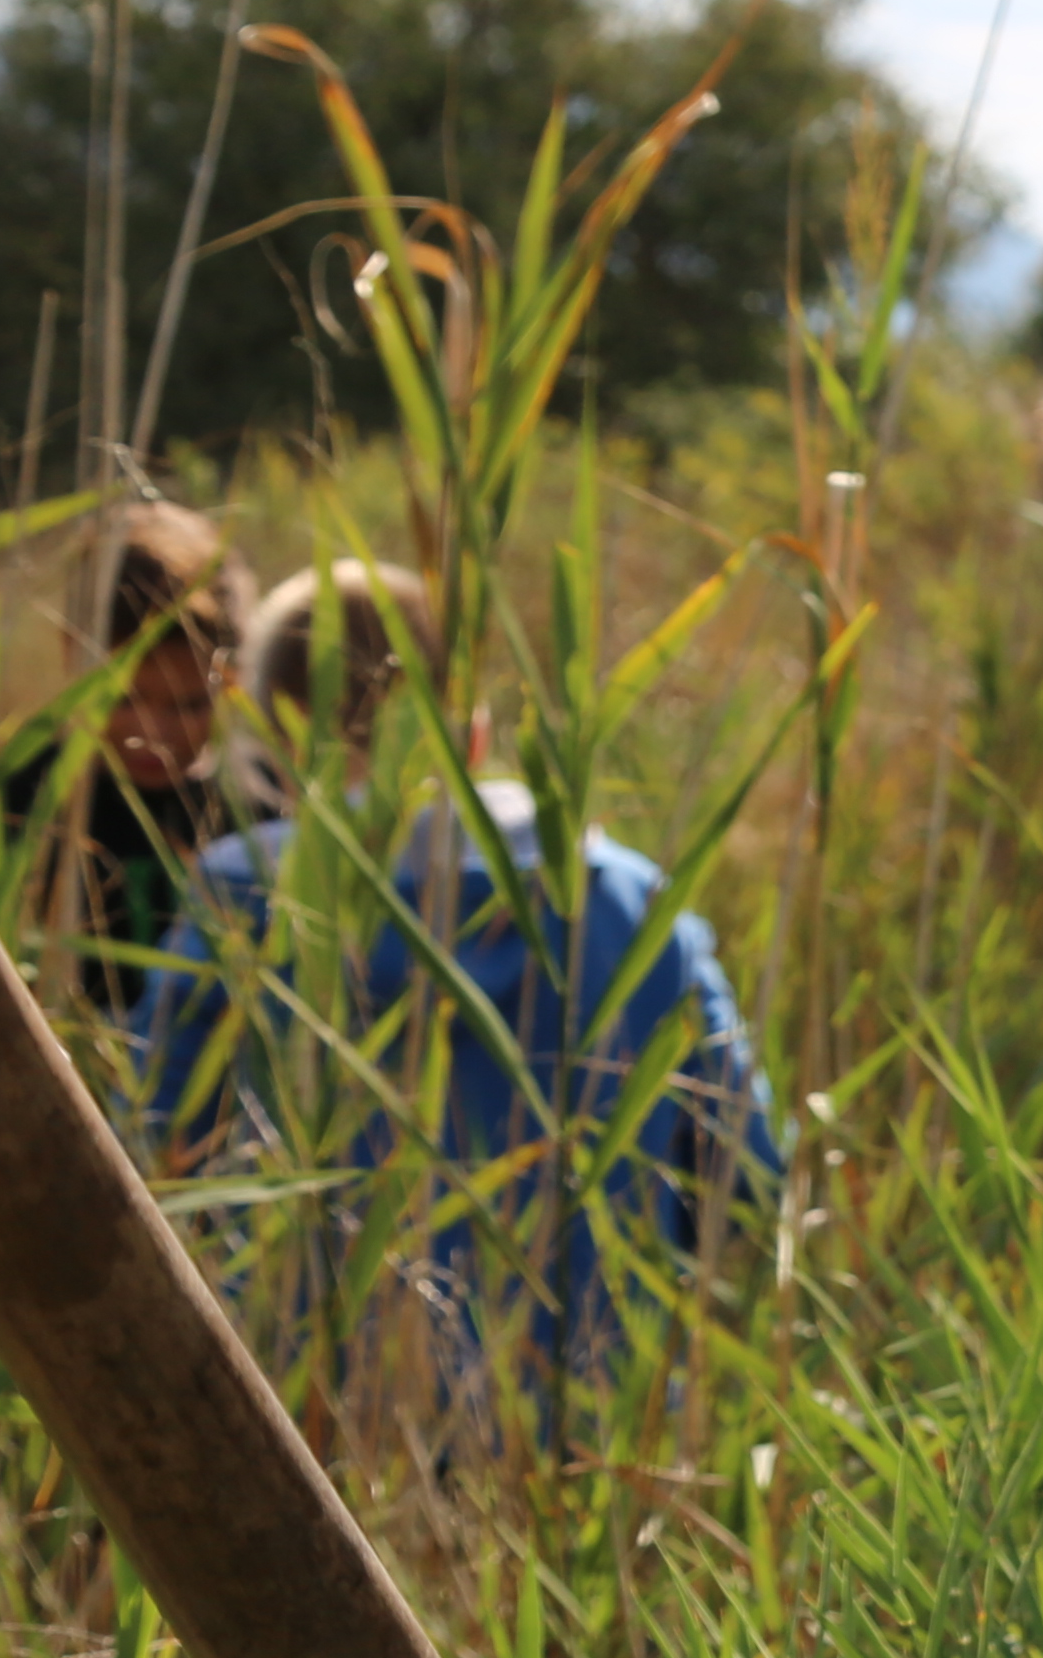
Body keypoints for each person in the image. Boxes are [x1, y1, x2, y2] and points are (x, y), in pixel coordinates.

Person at [130, 561, 777, 1387]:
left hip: (310, 1413)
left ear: (276, 738)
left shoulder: (249, 894)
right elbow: (749, 1176)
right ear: (471, 731)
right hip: (592, 1429)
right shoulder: (627, 899)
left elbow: (154, 1141)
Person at [0, 499, 242, 969]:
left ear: (233, 677)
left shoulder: (257, 818)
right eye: (122, 699)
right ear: (72, 655)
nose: (152, 733)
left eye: (189, 705)